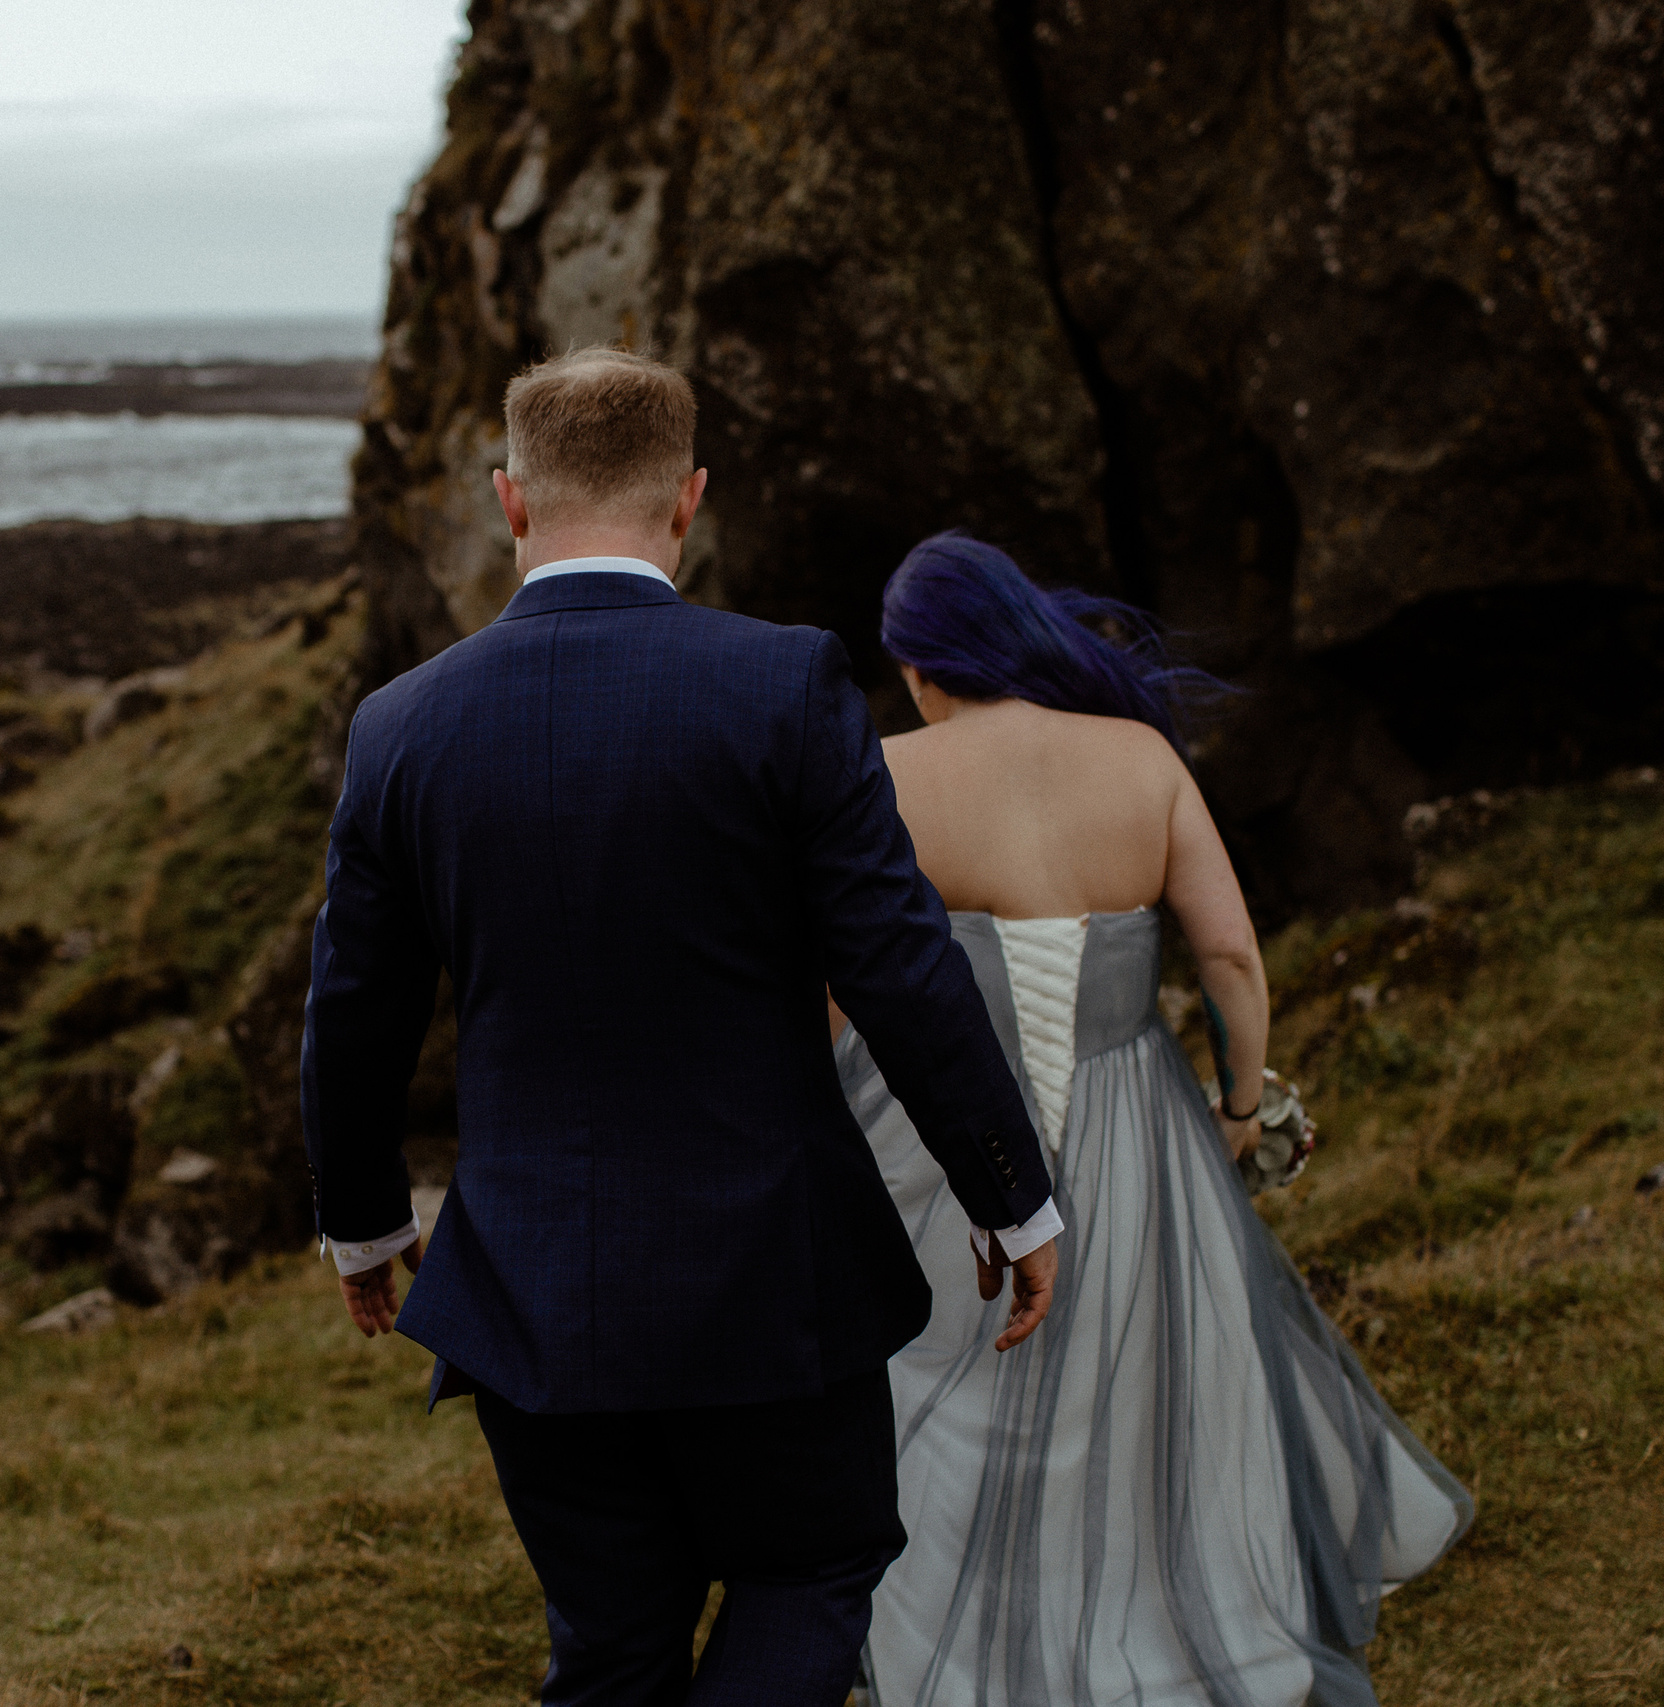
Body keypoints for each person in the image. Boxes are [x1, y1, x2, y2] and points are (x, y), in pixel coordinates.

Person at [300, 348, 1064, 1707]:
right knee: (811, 1569)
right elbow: (898, 963)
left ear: (511, 499)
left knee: (610, 1640)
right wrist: (1011, 1197)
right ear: (689, 497)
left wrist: (364, 1223)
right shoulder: (784, 685)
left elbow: (354, 1008)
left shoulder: (402, 724)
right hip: (773, 1273)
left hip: (533, 1287)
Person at [836, 533, 1473, 1707]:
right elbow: (1228, 956)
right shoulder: (1138, 759)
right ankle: (1153, 1593)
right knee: (1144, 1371)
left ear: (924, 666)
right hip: (1136, 1122)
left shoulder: (881, 775)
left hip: (934, 1137)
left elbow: (835, 982)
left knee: (933, 1371)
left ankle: (945, 1627)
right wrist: (1241, 1105)